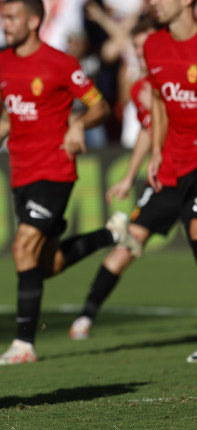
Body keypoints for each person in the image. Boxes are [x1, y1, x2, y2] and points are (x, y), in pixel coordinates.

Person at [0, 0, 134, 365]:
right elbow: (10, 114)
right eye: (3, 17)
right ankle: (112, 235)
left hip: (55, 170)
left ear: (33, 21)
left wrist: (78, 123)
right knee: (46, 264)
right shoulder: (4, 61)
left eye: (11, 17)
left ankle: (24, 345)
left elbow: (100, 105)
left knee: (22, 248)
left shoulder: (60, 63)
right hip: (21, 172)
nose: (4, 24)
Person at [68, 20, 164, 341]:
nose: (141, 53)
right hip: (166, 178)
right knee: (127, 245)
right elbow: (148, 132)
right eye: (136, 49)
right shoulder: (139, 88)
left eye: (145, 46)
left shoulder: (183, 75)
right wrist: (127, 177)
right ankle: (86, 316)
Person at [142, 0, 197, 363]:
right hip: (179, 159)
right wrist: (157, 150)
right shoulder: (153, 46)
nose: (153, 0)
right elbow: (160, 101)